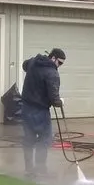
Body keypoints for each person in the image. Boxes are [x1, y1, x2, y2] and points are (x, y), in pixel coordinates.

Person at [19, 47, 66, 178]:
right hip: (40, 111)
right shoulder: (52, 74)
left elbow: (24, 65)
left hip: (26, 108)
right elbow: (54, 99)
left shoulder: (34, 61)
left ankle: (29, 170)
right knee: (45, 139)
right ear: (53, 58)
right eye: (60, 63)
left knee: (29, 139)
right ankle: (40, 169)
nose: (60, 66)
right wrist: (60, 102)